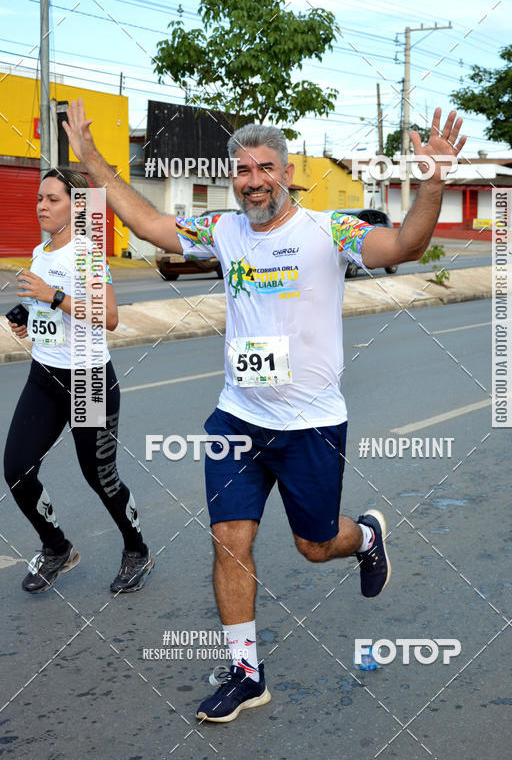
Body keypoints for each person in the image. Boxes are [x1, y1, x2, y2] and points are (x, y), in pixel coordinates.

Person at [62, 99, 466, 721]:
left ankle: (365, 537)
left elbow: (406, 245)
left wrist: (433, 181)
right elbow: (148, 225)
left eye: (265, 169)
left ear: (287, 172)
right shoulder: (222, 231)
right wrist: (93, 162)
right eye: (242, 172)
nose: (254, 182)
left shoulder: (331, 231)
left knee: (314, 544)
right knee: (229, 541)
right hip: (237, 421)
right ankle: (247, 674)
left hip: (310, 425)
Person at [3, 168, 154, 595]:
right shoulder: (40, 251)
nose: (41, 207)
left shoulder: (88, 255)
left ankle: (137, 549)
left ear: (74, 206)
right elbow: (46, 307)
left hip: (89, 380)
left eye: (52, 199)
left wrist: (53, 295)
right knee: (17, 469)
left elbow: (109, 317)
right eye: (39, 199)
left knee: (100, 476)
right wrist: (26, 315)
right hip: (45, 376)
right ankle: (57, 549)